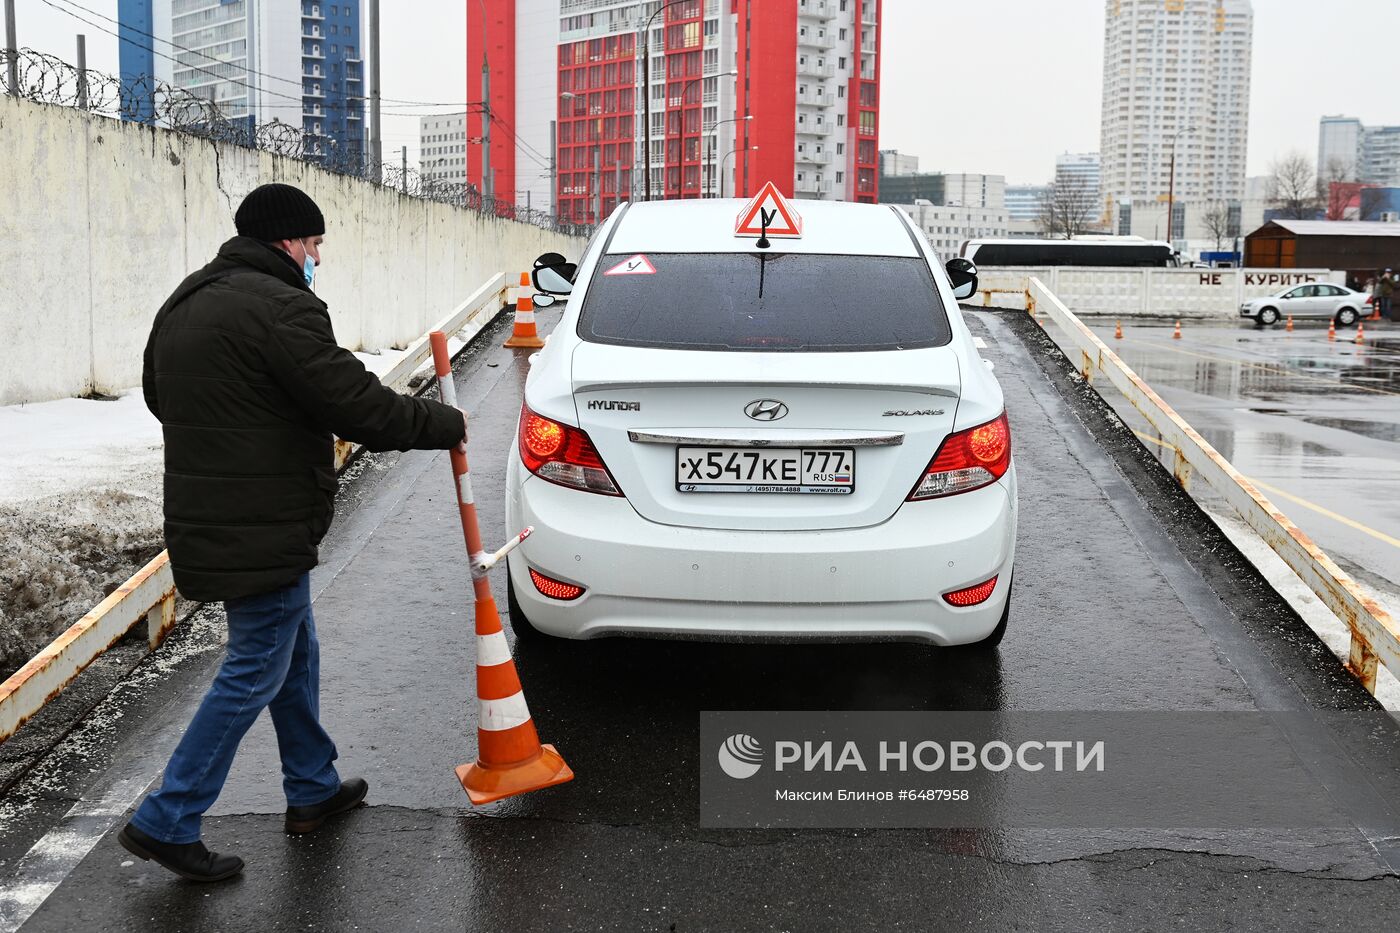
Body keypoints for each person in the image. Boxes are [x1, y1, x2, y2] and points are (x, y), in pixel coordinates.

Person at [120, 183, 469, 882]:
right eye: (314, 244)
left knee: (291, 645)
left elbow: (164, 398)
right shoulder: (282, 307)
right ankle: (168, 815)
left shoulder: (186, 300)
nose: (317, 257)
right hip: (264, 519)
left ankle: (311, 785)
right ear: (287, 241)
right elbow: (352, 401)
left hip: (216, 512)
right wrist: (442, 423)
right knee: (257, 663)